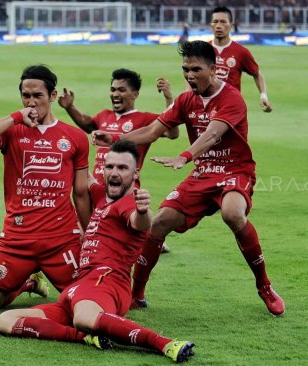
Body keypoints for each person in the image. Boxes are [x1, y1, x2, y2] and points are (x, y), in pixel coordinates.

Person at [92, 41, 285, 316]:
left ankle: (264, 286)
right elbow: (152, 130)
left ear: (215, 69)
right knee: (158, 224)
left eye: (196, 69)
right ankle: (137, 294)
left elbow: (213, 133)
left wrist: (184, 156)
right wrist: (114, 139)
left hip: (234, 170)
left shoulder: (231, 98)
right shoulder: (186, 100)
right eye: (185, 69)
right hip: (203, 174)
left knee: (232, 213)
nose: (189, 75)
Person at [0, 140, 195, 363]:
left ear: (135, 172)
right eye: (109, 167)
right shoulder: (102, 194)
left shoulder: (129, 203)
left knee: (84, 317)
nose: (114, 173)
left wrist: (143, 210)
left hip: (107, 281)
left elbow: (141, 223)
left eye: (122, 168)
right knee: (6, 320)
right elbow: (85, 175)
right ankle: (83, 338)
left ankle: (164, 343)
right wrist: (62, 143)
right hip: (80, 287)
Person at [0, 65, 92, 313]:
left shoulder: (75, 137)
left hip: (61, 239)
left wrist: (88, 234)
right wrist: (14, 117)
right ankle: (27, 283)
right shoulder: (12, 131)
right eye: (26, 96)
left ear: (53, 96)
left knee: (84, 303)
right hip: (17, 239)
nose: (31, 102)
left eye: (38, 95)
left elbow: (80, 192)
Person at [57, 68, 178, 307]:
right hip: (97, 190)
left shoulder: (144, 119)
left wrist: (168, 99)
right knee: (92, 238)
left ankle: (123, 287)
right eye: (113, 89)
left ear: (134, 93)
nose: (115, 94)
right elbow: (86, 123)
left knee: (121, 242)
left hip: (124, 193)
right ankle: (91, 282)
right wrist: (70, 107)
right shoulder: (104, 116)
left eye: (122, 89)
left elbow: (172, 131)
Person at [210, 6, 273, 113]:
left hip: (232, 109)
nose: (218, 26)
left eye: (223, 22)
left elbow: (257, 74)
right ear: (210, 25)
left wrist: (263, 95)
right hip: (208, 108)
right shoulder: (202, 50)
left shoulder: (241, 52)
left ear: (231, 26)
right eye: (215, 22)